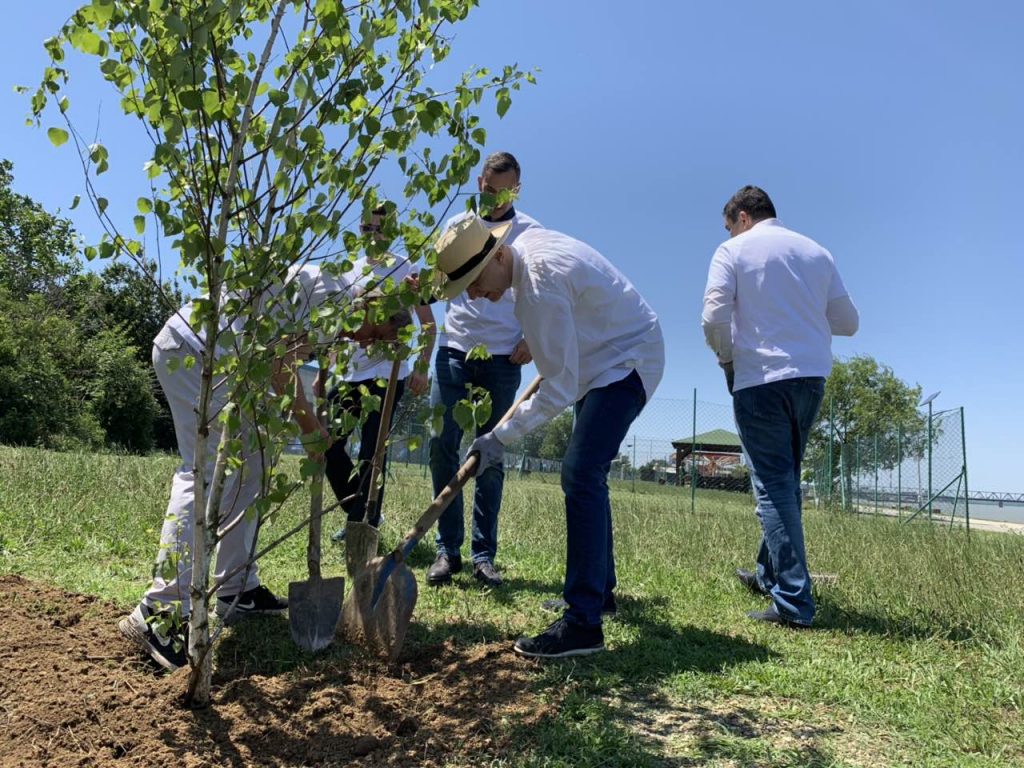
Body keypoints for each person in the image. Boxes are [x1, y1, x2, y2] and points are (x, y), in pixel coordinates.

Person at [118, 265, 408, 671]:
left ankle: (237, 589)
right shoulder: (331, 295)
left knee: (253, 464)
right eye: (375, 335)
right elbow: (280, 367)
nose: (365, 343)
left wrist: (310, 421)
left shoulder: (337, 309)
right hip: (197, 353)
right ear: (376, 308)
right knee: (206, 474)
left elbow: (281, 362)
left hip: (231, 364)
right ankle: (161, 610)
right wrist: (311, 430)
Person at [432, 216, 664, 658]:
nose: (474, 295)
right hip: (598, 359)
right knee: (587, 475)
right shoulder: (529, 257)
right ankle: (599, 594)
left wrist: (498, 437)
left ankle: (583, 624)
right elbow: (562, 364)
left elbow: (557, 387)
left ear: (498, 254)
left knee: (580, 472)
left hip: (626, 359)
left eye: (474, 281)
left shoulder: (537, 288)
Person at [701, 185, 859, 628]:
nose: (729, 234)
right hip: (811, 377)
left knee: (771, 486)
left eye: (729, 226)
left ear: (742, 217)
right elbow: (848, 322)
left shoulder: (733, 251)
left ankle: (793, 603)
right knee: (785, 480)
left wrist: (728, 359)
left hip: (760, 378)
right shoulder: (817, 252)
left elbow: (713, 317)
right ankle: (768, 574)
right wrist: (799, 314)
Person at [427, 151, 541, 588]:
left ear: (518, 190)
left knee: (490, 454)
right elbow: (438, 284)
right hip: (454, 349)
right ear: (479, 183)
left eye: (507, 191)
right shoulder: (459, 227)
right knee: (441, 444)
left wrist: (531, 339)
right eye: (491, 190)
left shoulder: (530, 232)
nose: (497, 198)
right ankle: (447, 550)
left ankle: (483, 555)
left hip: (503, 357)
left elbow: (539, 288)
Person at [324, 206, 435, 540]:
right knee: (327, 440)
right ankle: (361, 509)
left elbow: (428, 324)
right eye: (367, 229)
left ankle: (363, 526)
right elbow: (340, 326)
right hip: (351, 373)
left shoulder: (407, 268)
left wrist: (421, 366)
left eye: (380, 229)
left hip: (389, 372)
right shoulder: (350, 272)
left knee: (372, 452)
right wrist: (325, 368)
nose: (373, 236)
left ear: (392, 231)